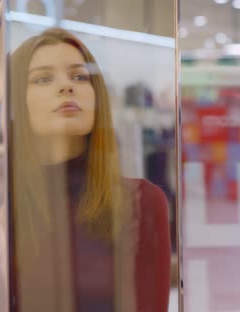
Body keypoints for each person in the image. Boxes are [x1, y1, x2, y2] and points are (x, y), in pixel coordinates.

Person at [9, 28, 170, 312]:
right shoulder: (5, 205)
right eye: (43, 78)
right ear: (16, 104)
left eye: (80, 76)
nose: (66, 86)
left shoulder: (142, 203)